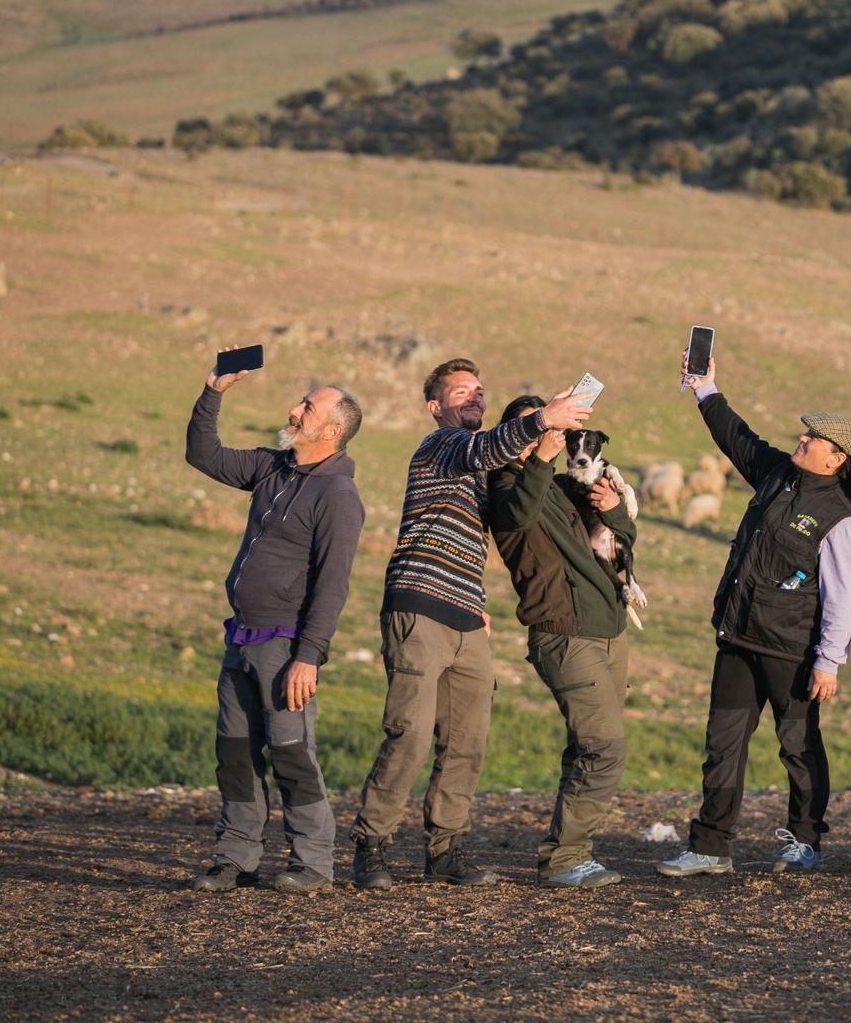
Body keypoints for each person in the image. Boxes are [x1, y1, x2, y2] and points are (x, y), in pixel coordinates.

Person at [349, 359, 594, 890]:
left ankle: (446, 849)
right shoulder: (440, 446)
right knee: (409, 734)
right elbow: (485, 447)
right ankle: (371, 844)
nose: (475, 397)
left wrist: (546, 447)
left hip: (467, 614)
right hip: (418, 604)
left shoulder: (482, 466)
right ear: (436, 406)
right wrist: (540, 419)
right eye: (461, 391)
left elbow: (510, 507)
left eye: (479, 390)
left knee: (467, 739)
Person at [656, 353, 851, 878]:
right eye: (804, 435)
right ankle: (709, 847)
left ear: (836, 458)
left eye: (812, 438)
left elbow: (845, 594)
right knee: (721, 744)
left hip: (793, 652)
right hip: (739, 637)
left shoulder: (843, 519)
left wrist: (829, 661)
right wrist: (705, 388)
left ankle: (805, 843)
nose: (802, 439)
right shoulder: (777, 475)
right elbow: (738, 438)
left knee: (797, 747)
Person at [184, 352, 365, 894]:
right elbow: (203, 454)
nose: (294, 410)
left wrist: (309, 656)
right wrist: (213, 390)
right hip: (240, 636)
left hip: (286, 647)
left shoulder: (339, 495)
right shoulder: (272, 467)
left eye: (307, 407)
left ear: (330, 430)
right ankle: (235, 857)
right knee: (234, 752)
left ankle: (312, 864)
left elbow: (333, 584)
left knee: (290, 755)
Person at [485, 395, 638, 890]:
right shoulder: (507, 485)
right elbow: (518, 518)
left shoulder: (558, 485)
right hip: (563, 632)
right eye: (533, 428)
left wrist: (614, 510)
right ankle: (566, 858)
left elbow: (622, 537)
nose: (542, 437)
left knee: (586, 747)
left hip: (608, 628)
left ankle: (567, 852)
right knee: (604, 747)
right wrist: (540, 456)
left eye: (547, 428)